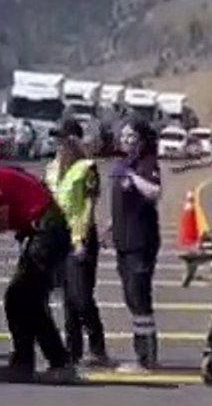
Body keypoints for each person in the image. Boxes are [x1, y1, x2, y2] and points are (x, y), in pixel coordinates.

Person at [0, 140, 76, 382]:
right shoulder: (2, 175)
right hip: (42, 233)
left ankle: (56, 362)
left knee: (25, 298)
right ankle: (26, 360)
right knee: (21, 299)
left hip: (46, 233)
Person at [46, 118, 113, 368]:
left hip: (80, 237)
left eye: (63, 139)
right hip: (57, 237)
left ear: (74, 139)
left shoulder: (87, 167)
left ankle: (98, 348)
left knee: (82, 296)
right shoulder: (52, 167)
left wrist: (82, 239)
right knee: (67, 300)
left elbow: (88, 205)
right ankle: (72, 351)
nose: (59, 144)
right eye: (58, 140)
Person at [109, 119, 163, 373]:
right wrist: (110, 226)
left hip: (141, 241)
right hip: (123, 240)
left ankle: (146, 357)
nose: (125, 139)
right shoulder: (124, 163)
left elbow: (154, 192)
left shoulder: (147, 163)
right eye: (124, 135)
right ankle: (142, 352)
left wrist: (132, 176)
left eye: (131, 136)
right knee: (131, 298)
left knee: (140, 297)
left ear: (141, 139)